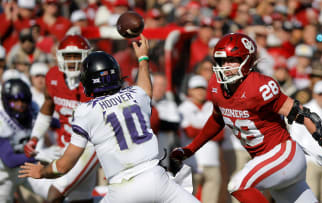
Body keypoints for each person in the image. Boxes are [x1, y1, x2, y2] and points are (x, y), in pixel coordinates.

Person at [170, 33, 322, 203]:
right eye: (222, 60)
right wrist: (191, 149)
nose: (225, 66)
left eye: (232, 60)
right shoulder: (216, 85)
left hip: (283, 155)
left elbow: (304, 114)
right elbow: (217, 119)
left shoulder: (259, 86)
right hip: (268, 164)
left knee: (238, 185)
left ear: (247, 61)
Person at [18, 35, 200, 203]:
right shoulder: (136, 94)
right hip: (156, 178)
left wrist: (41, 171)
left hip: (123, 188)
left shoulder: (86, 111)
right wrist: (143, 58)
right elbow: (146, 88)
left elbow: (64, 166)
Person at [22, 34, 98, 202]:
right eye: (68, 56)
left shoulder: (94, 81)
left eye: (76, 56)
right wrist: (34, 138)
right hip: (66, 145)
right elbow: (47, 108)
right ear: (59, 57)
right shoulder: (53, 77)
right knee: (80, 199)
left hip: (90, 146)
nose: (72, 61)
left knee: (56, 191)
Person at [0, 79, 60, 202]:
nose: (20, 105)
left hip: (27, 166)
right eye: (14, 101)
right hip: (3, 172)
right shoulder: (1, 117)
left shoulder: (32, 108)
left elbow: (54, 122)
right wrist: (40, 155)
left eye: (23, 101)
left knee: (56, 192)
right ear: (6, 101)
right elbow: (9, 160)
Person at [179, 75, 222, 203]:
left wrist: (199, 131)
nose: (200, 91)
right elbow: (189, 131)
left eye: (203, 88)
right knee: (187, 200)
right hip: (191, 162)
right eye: (196, 88)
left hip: (213, 162)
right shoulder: (183, 108)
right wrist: (210, 132)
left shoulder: (212, 106)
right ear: (189, 91)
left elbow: (220, 135)